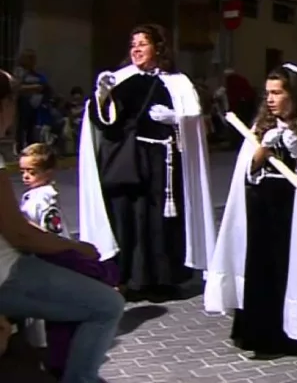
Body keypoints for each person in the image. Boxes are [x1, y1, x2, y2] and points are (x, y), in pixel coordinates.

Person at [0, 69, 125, 383]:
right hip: (6, 274)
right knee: (107, 305)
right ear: (5, 105)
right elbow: (19, 233)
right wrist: (76, 247)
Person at [205, 63, 297, 362]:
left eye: (278, 92)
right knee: (261, 269)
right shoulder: (259, 128)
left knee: (289, 268)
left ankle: (293, 333)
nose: (271, 99)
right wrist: (261, 153)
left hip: (294, 210)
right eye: (268, 93)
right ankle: (260, 334)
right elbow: (246, 171)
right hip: (262, 206)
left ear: (293, 95)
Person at [78, 23, 216, 300]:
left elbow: (195, 121)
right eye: (133, 45)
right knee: (131, 217)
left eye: (143, 44)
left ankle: (163, 279)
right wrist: (102, 96)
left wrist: (175, 118)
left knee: (161, 221)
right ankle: (131, 279)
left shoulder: (178, 83)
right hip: (131, 162)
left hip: (165, 163)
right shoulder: (121, 79)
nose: (136, 50)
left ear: (158, 48)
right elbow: (105, 123)